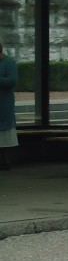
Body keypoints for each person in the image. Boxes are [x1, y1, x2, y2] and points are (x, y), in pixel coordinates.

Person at [0, 39, 18, 169]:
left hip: (4, 102)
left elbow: (12, 81)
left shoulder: (9, 62)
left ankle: (6, 161)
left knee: (5, 134)